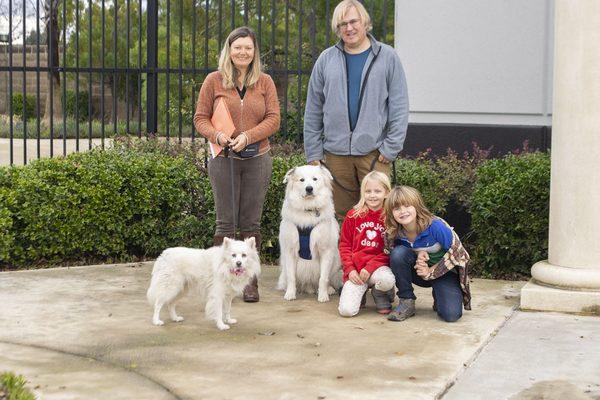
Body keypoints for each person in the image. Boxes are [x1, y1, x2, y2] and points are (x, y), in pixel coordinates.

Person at [193, 26, 280, 303]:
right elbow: (200, 118)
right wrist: (217, 135)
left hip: (257, 159)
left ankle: (250, 283)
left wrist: (248, 136)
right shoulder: (214, 81)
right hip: (224, 160)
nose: (243, 52)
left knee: (250, 222)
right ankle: (219, 281)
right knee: (225, 222)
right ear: (229, 51)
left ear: (255, 52)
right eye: (237, 47)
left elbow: (273, 119)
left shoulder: (265, 82)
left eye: (248, 48)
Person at [303, 0, 409, 220]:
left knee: (379, 215)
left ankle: (379, 256)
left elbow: (399, 106)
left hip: (374, 153)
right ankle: (346, 256)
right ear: (337, 28)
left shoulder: (387, 57)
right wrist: (313, 152)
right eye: (343, 24)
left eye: (353, 22)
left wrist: (391, 148)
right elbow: (313, 108)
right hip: (335, 155)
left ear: (365, 23)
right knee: (341, 217)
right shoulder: (326, 60)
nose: (349, 28)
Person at [383, 186, 471, 322]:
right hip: (419, 272)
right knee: (398, 254)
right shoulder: (394, 232)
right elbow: (394, 259)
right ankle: (406, 301)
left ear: (417, 206)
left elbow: (460, 255)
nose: (403, 211)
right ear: (391, 213)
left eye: (407, 206)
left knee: (451, 315)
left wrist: (431, 270)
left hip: (444, 273)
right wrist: (419, 254)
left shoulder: (435, 226)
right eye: (397, 208)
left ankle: (439, 294)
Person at [338, 171, 396, 317]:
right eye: (368, 191)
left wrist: (371, 267)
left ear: (387, 193)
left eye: (377, 191)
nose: (372, 195)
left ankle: (380, 293)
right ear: (363, 192)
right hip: (356, 271)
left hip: (378, 268)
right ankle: (360, 292)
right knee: (346, 311)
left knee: (387, 280)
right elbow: (344, 245)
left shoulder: (390, 218)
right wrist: (350, 269)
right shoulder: (353, 215)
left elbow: (391, 250)